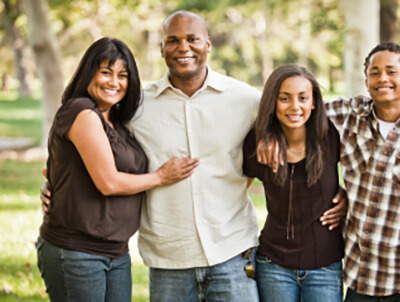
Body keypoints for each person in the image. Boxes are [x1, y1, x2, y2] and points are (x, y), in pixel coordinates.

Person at [41, 10, 348, 301]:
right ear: (161, 48)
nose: (183, 47)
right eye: (173, 40)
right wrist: (56, 183)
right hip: (169, 258)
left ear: (208, 44)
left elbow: (301, 125)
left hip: (232, 252)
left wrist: (342, 193)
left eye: (192, 39)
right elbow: (90, 145)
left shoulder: (246, 100)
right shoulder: (135, 104)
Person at [258, 42, 400, 302]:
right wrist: (268, 135)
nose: (382, 78)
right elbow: (296, 108)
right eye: (374, 72)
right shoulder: (348, 116)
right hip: (360, 278)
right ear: (366, 82)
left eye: (391, 71)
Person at [36, 37, 199, 302]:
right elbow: (108, 182)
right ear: (89, 73)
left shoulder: (117, 123)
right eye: (105, 72)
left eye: (122, 75)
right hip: (76, 251)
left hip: (116, 253)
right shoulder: (82, 112)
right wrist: (160, 176)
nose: (114, 82)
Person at [243, 65, 344, 302]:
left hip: (325, 266)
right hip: (273, 264)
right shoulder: (258, 145)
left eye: (303, 98)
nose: (295, 107)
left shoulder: (330, 136)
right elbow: (234, 192)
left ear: (314, 102)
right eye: (284, 98)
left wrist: (347, 195)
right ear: (272, 102)